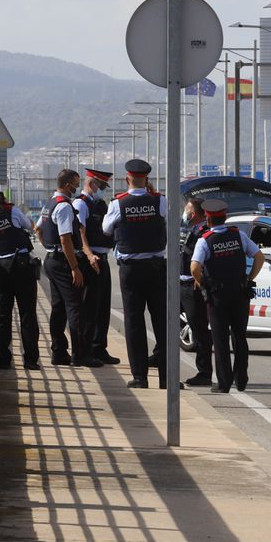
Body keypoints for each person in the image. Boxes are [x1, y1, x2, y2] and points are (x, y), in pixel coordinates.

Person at [103, 158, 168, 389]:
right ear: (146, 179)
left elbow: (106, 229)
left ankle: (140, 376)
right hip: (157, 267)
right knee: (162, 321)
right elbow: (169, 223)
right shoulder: (160, 200)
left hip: (131, 270)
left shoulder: (117, 204)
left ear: (127, 179)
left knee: (134, 322)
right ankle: (166, 378)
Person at [191, 199, 264, 393]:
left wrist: (201, 282)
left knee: (220, 339)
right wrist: (249, 278)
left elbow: (194, 267)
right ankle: (241, 379)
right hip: (240, 292)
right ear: (225, 217)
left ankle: (224, 383)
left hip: (218, 296)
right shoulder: (238, 235)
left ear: (207, 218)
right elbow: (259, 256)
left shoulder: (204, 240)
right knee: (240, 336)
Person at [0, 176, 40, 370]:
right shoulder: (13, 211)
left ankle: (3, 359)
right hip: (23, 268)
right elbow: (30, 226)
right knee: (27, 314)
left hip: (1, 271)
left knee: (3, 316)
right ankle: (30, 360)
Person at [38, 169, 102, 367]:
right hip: (64, 262)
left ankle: (59, 352)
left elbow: (38, 229)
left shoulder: (50, 203)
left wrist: (48, 247)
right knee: (75, 308)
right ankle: (80, 355)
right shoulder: (64, 207)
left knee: (58, 308)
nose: (76, 187)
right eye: (75, 184)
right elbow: (65, 239)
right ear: (67, 185)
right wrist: (74, 267)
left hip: (51, 259)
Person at [73, 168, 120, 365]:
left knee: (102, 307)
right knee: (89, 308)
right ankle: (86, 350)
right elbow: (80, 233)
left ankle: (100, 347)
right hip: (89, 260)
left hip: (102, 257)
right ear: (91, 184)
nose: (102, 190)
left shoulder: (100, 204)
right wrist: (89, 255)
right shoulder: (80, 204)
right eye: (100, 186)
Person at [180, 197, 213, 387]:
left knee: (199, 329)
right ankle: (161, 359)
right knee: (168, 324)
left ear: (197, 213)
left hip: (193, 285)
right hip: (180, 282)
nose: (185, 213)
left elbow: (202, 261)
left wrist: (200, 281)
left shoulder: (204, 232)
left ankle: (204, 372)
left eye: (188, 210)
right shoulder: (187, 229)